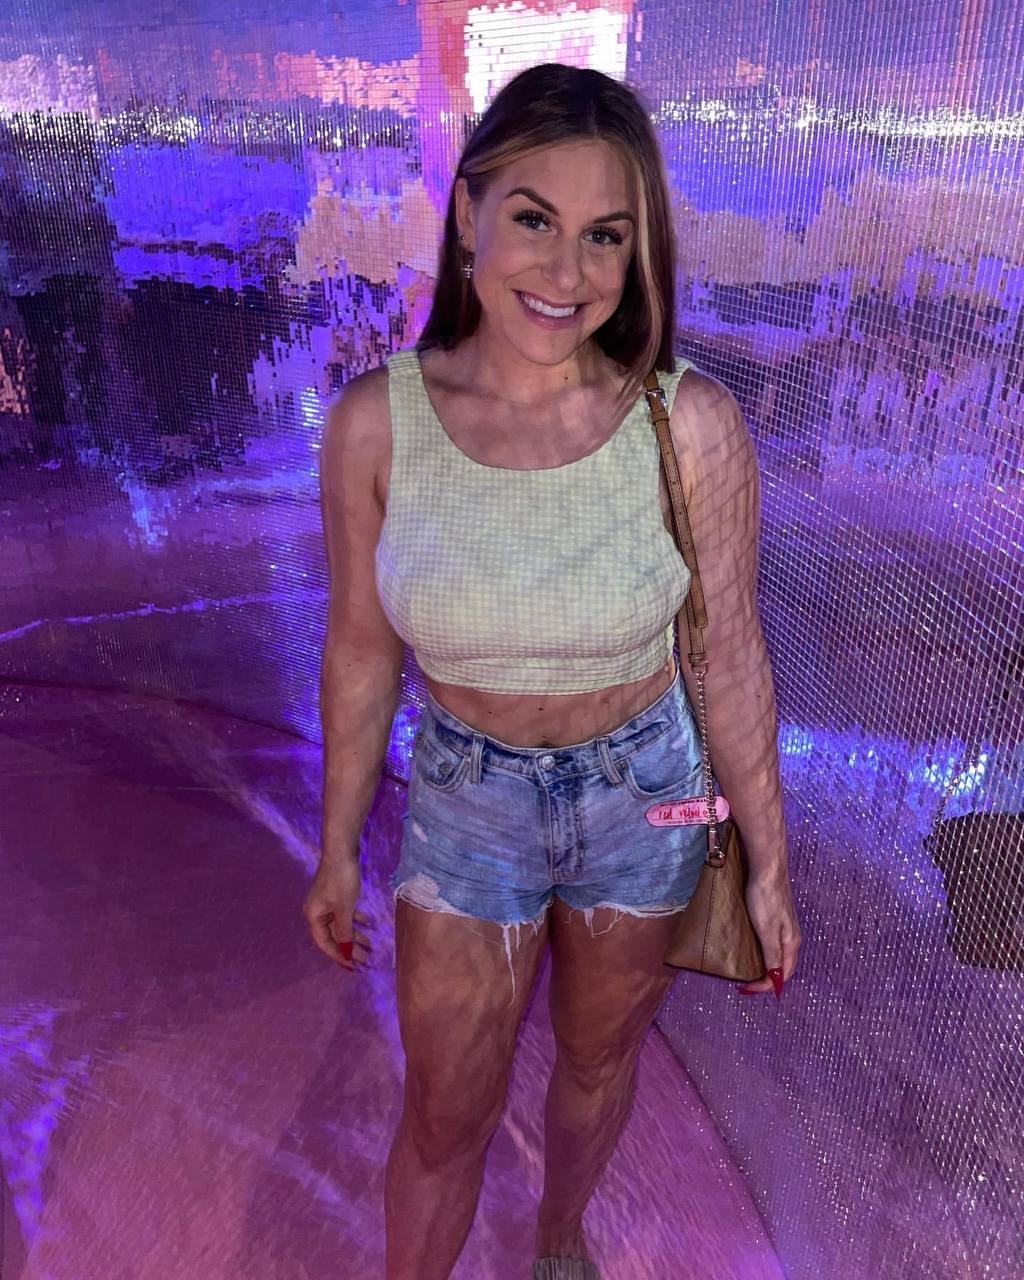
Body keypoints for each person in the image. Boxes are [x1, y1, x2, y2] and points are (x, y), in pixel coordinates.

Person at [304, 63, 802, 1280]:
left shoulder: (687, 423)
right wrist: (335, 843)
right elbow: (361, 647)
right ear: (467, 212)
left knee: (595, 1059)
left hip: (646, 795)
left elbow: (727, 651)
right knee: (444, 1109)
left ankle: (559, 1238)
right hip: (466, 799)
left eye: (604, 236)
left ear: (639, 254)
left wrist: (770, 863)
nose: (566, 271)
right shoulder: (376, 423)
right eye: (533, 218)